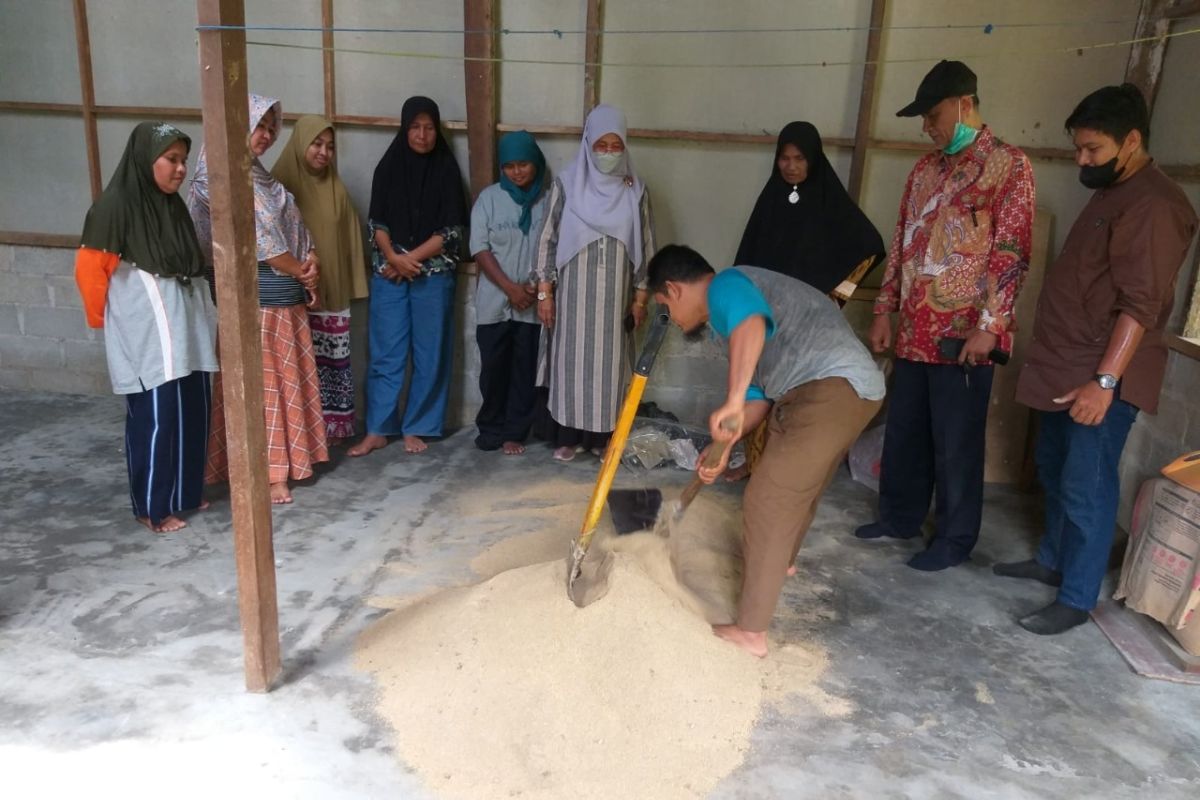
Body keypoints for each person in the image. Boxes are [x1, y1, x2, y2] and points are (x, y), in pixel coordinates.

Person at [995, 84, 1198, 635]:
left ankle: (1078, 597)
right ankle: (1053, 559)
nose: (1082, 160)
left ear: (1131, 141)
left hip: (1098, 377)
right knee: (1056, 470)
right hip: (1067, 366)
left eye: (1092, 150)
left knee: (1087, 485)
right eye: (1079, 148)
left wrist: (1105, 381)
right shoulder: (1114, 191)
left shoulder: (1155, 206)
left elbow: (1142, 305)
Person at [649, 245, 885, 658]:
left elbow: (752, 328)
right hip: (831, 391)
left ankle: (751, 632)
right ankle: (780, 563)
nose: (673, 321)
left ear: (674, 288)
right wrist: (723, 448)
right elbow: (758, 395)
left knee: (769, 496)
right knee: (796, 486)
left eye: (666, 308)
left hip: (831, 386)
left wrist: (733, 399)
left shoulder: (726, 284)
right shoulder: (730, 321)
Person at [856, 60, 1036, 571]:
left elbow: (1011, 253)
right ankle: (899, 517)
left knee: (956, 444)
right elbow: (902, 243)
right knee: (906, 431)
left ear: (965, 104)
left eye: (933, 115)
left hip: (964, 338)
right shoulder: (925, 169)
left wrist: (990, 325)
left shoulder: (1009, 167)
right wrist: (885, 309)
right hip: (914, 330)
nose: (928, 127)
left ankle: (954, 541)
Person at [75, 121, 217, 533]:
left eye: (183, 161)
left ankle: (186, 493)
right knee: (157, 414)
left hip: (183, 322)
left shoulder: (171, 207)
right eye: (171, 159)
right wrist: (104, 322)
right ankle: (152, 507)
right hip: (148, 329)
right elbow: (89, 270)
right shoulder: (114, 206)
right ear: (145, 158)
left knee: (193, 407)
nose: (179, 169)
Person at [187, 94, 329, 504]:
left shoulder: (264, 180)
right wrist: (299, 268)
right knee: (261, 390)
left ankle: (288, 464)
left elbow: (299, 231)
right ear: (235, 126)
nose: (266, 135)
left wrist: (311, 263)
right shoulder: (216, 179)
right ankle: (270, 476)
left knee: (285, 386)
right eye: (257, 125)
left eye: (271, 127)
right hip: (254, 305)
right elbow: (262, 244)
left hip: (286, 301)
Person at [532, 104, 656, 462]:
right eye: (600, 145)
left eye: (615, 145)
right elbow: (547, 239)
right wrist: (545, 291)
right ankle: (568, 437)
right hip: (571, 299)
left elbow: (646, 244)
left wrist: (640, 298)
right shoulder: (566, 186)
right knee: (571, 367)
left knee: (609, 371)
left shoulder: (636, 192)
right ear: (587, 143)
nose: (607, 153)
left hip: (616, 299)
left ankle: (604, 442)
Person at [349, 96, 467, 457]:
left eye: (429, 127)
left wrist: (409, 258)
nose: (421, 134)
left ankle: (418, 426)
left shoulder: (446, 169)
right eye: (414, 127)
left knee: (430, 353)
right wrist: (392, 257)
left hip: (431, 274)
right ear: (404, 128)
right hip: (391, 273)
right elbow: (377, 221)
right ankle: (379, 429)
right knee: (386, 353)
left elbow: (453, 228)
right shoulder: (388, 167)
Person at [271, 115, 370, 446]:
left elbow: (350, 238)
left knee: (330, 365)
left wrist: (353, 282)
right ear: (300, 143)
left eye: (330, 147)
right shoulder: (277, 186)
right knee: (296, 366)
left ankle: (331, 430)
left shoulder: (335, 186)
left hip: (331, 290)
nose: (324, 153)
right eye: (316, 144)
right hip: (290, 292)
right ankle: (301, 434)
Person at [735, 121, 885, 304]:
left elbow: (870, 245)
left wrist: (836, 296)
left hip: (811, 311)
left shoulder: (829, 199)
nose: (791, 167)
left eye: (800, 158)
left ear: (812, 159)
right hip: (768, 308)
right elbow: (749, 256)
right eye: (784, 158)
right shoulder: (770, 199)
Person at [469, 130, 549, 455]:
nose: (517, 172)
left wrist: (533, 287)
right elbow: (480, 248)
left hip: (531, 304)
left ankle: (515, 432)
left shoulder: (549, 200)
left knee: (524, 372)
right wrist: (510, 288)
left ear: (536, 163)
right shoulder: (488, 199)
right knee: (493, 371)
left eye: (524, 165)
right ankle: (490, 429)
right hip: (494, 303)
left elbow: (552, 247)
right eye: (509, 166)